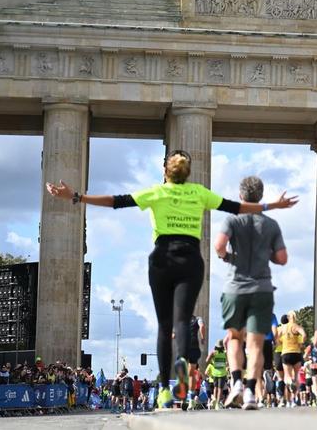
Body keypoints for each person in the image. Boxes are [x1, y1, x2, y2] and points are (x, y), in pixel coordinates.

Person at [45, 150, 297, 410]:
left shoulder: (156, 192)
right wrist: (272, 206)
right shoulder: (199, 193)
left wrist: (76, 196)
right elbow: (237, 207)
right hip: (191, 260)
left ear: (166, 171)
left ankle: (165, 388)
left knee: (164, 326)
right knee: (181, 322)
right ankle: (182, 369)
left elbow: (116, 201)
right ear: (188, 173)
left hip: (162, 259)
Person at [213, 175, 288, 410]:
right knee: (255, 345)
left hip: (235, 288)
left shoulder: (232, 220)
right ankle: (250, 392)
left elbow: (219, 245)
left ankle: (235, 381)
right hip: (262, 288)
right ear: (261, 196)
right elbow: (282, 258)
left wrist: (228, 257)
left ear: (240, 195)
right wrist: (267, 255)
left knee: (234, 338)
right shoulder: (271, 225)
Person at [276, 314, 305, 407]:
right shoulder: (295, 326)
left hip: (286, 353)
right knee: (296, 376)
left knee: (287, 377)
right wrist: (303, 341)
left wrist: (280, 342)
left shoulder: (281, 329)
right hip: (296, 353)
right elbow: (304, 334)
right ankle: (293, 400)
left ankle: (289, 383)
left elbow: (276, 338)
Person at [203, 341, 228, 409]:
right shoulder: (225, 353)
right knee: (220, 388)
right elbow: (227, 362)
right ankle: (217, 402)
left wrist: (212, 361)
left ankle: (214, 399)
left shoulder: (213, 353)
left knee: (215, 387)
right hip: (222, 373)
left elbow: (206, 360)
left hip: (215, 373)